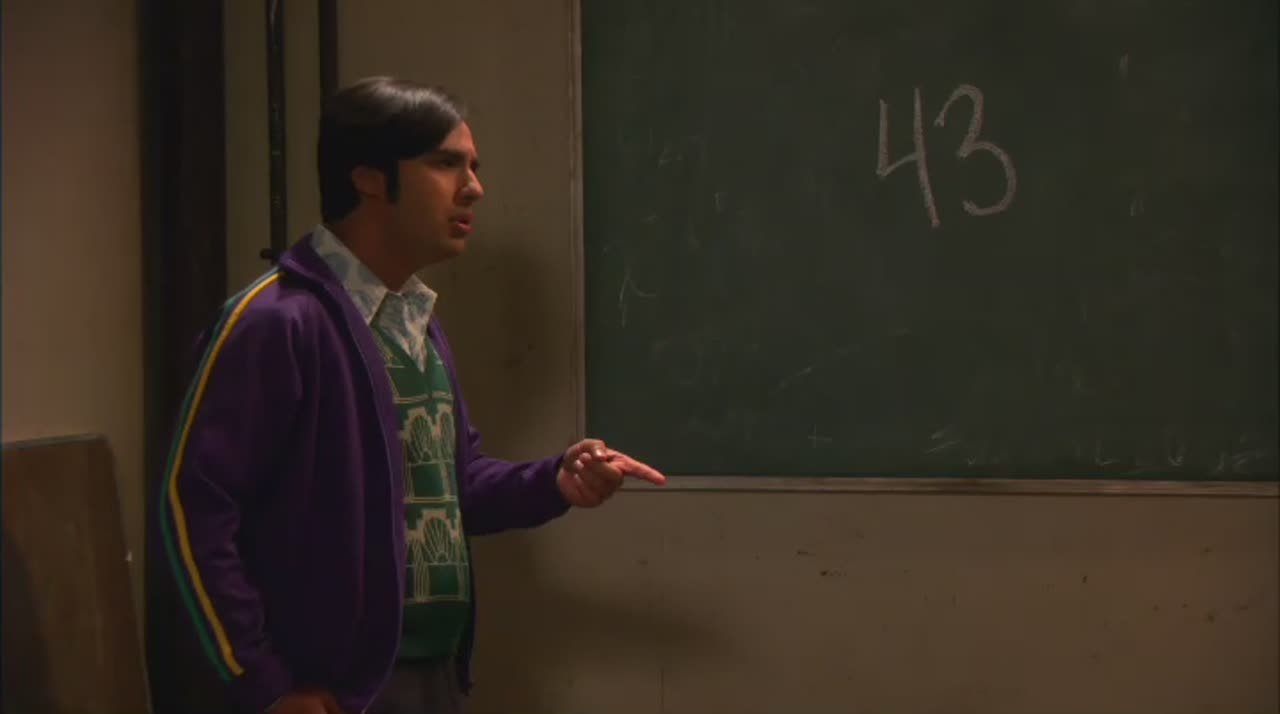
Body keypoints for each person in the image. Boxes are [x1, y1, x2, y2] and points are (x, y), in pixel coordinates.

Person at [155, 76, 666, 714]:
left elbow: (455, 484)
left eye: (473, 167)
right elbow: (192, 508)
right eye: (447, 164)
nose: (473, 188)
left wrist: (556, 481)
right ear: (369, 178)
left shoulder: (413, 321)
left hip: (432, 673)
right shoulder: (276, 322)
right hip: (328, 691)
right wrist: (265, 683)